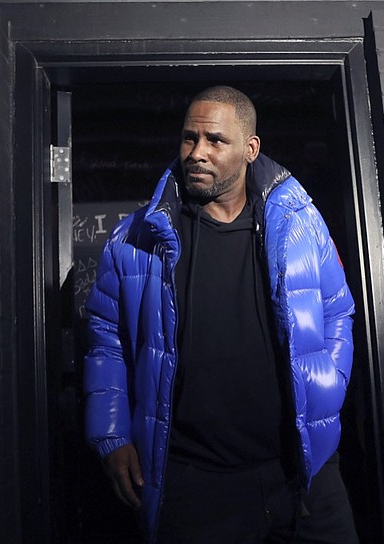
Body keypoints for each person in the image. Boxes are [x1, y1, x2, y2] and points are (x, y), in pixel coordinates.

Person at [83, 85, 358, 543]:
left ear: (250, 149)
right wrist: (111, 434)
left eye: (215, 140)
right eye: (189, 139)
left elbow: (337, 312)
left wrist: (327, 388)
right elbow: (105, 338)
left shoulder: (299, 227)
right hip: (195, 484)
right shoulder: (137, 240)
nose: (197, 153)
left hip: (303, 474)